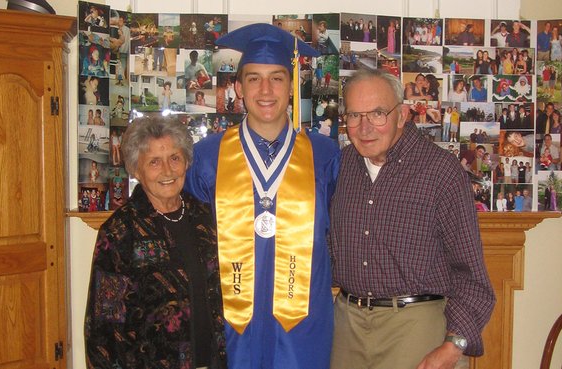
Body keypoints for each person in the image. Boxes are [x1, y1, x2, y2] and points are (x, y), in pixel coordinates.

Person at [184, 23, 340, 369]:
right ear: (238, 87)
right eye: (254, 78)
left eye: (277, 78)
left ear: (291, 85)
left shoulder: (325, 155)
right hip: (229, 323)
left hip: (302, 326)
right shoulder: (207, 157)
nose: (265, 89)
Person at [329, 69, 494, 369]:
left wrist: (454, 345)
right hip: (347, 327)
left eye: (378, 113)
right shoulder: (341, 166)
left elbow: (471, 274)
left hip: (416, 329)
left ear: (402, 115)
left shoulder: (440, 171)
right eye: (354, 115)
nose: (365, 127)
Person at [84, 117, 227, 369]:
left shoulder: (206, 219)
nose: (168, 171)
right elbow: (103, 330)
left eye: (174, 158)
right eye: (154, 162)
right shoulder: (120, 231)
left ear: (186, 162)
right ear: (136, 170)